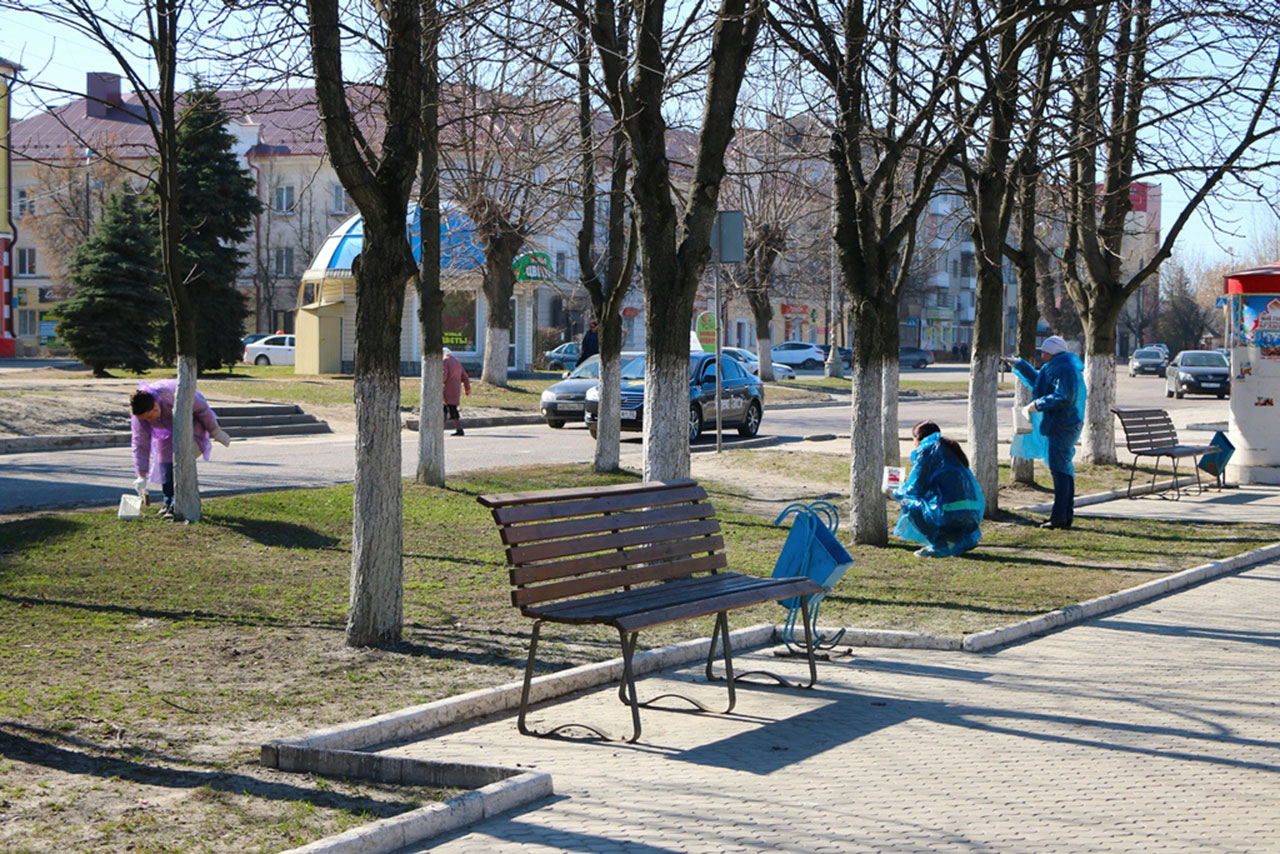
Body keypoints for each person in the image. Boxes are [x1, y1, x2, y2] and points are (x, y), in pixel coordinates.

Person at [1003, 335, 1086, 530]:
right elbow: (1041, 384)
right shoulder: (1058, 366)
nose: (1041, 355)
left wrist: (1037, 404)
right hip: (1061, 424)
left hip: (1062, 425)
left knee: (1060, 471)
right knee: (1062, 470)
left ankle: (1059, 518)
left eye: (1044, 351)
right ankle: (1064, 516)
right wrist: (1020, 366)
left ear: (1052, 351)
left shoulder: (1063, 368)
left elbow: (1064, 396)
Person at [130, 379, 231, 520]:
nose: (148, 421)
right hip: (166, 431)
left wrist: (215, 431)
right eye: (144, 419)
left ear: (155, 406)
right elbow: (140, 443)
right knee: (164, 463)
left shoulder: (170, 395)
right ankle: (168, 503)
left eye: (149, 417)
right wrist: (141, 474)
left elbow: (202, 410)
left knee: (179, 459)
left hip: (192, 424)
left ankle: (178, 503)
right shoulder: (140, 417)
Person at [892, 420, 985, 557]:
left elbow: (916, 489)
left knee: (909, 503)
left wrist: (895, 492)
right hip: (971, 515)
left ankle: (940, 545)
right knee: (932, 503)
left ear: (918, 439)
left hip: (949, 515)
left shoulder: (927, 451)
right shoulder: (950, 449)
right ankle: (960, 541)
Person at [442, 347, 471, 436]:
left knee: (447, 409)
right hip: (456, 389)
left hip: (447, 389)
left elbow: (444, 374)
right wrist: (467, 389)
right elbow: (465, 377)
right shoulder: (457, 362)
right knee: (450, 408)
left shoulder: (445, 361)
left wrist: (440, 383)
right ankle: (456, 428)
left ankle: (457, 429)